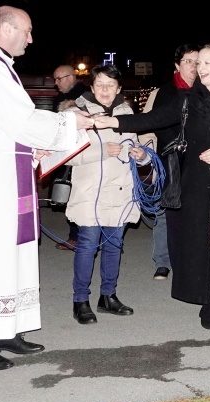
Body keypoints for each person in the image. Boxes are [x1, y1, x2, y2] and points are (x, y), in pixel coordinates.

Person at [0, 6, 96, 371]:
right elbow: (21, 120)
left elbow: (13, 124)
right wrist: (69, 121)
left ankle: (5, 329)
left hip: (9, 167)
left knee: (12, 248)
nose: (31, 38)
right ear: (7, 29)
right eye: (27, 31)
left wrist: (49, 135)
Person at [98, 42, 210, 330]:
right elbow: (152, 118)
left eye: (206, 63)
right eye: (197, 63)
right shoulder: (187, 99)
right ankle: (206, 300)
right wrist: (113, 120)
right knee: (202, 240)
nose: (199, 68)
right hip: (196, 179)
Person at [64, 64, 149, 324]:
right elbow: (66, 156)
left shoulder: (127, 112)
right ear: (91, 87)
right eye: (99, 84)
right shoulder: (76, 112)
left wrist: (142, 155)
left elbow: (134, 147)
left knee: (114, 246)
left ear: (119, 89)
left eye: (110, 85)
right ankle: (81, 300)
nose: (104, 90)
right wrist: (103, 151)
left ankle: (108, 297)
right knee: (88, 246)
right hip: (90, 192)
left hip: (119, 190)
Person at [136, 43, 201, 281]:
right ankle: (163, 262)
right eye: (188, 61)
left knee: (196, 213)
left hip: (198, 162)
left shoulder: (206, 92)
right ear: (177, 65)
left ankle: (191, 259)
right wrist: (149, 155)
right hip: (167, 160)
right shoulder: (161, 93)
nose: (193, 67)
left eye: (197, 61)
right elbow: (147, 127)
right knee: (165, 212)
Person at [51, 64, 89, 251]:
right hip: (69, 151)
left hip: (80, 152)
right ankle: (79, 236)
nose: (56, 83)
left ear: (72, 77)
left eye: (60, 78)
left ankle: (77, 238)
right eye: (55, 79)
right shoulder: (61, 97)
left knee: (77, 194)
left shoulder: (83, 95)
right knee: (73, 194)